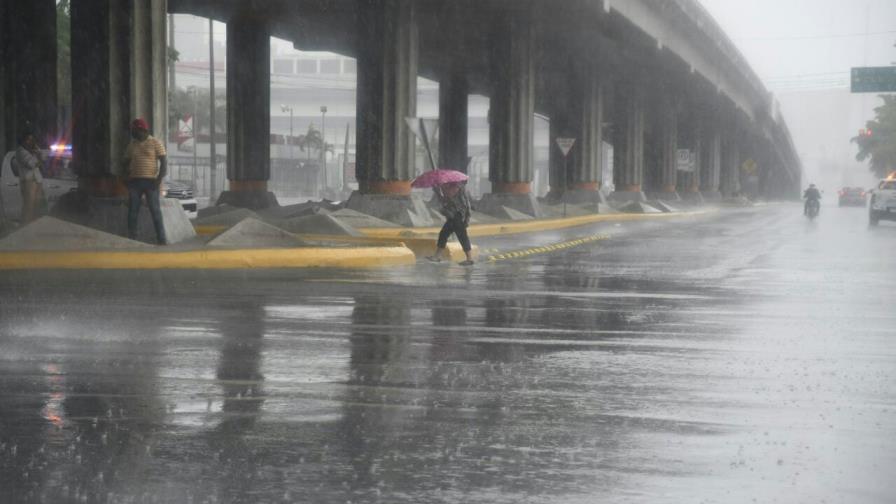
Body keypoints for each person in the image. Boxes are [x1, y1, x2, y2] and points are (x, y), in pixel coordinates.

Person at [123, 118, 167, 244]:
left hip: (151, 183)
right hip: (135, 182)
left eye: (135, 130)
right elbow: (125, 161)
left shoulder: (155, 143)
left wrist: (158, 180)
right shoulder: (132, 144)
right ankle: (132, 239)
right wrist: (126, 178)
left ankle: (161, 239)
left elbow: (164, 162)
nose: (133, 133)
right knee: (132, 211)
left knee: (155, 211)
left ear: (143, 130)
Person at [428, 181, 475, 266]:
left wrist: (439, 190)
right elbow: (445, 200)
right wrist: (438, 192)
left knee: (462, 236)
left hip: (458, 216)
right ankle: (437, 256)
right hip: (452, 216)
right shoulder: (451, 187)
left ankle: (470, 258)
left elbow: (451, 197)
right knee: (443, 234)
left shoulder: (457, 187)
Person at [12, 131, 47, 224]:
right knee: (29, 206)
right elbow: (32, 164)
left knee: (37, 206)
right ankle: (25, 226)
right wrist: (38, 157)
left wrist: (38, 151)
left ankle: (33, 226)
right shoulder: (20, 151)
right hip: (28, 181)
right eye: (29, 139)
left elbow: (43, 158)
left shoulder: (33, 150)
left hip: (37, 181)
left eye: (32, 139)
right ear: (24, 140)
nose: (31, 141)